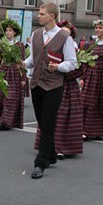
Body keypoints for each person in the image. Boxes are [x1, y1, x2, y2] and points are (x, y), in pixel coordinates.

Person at [23, 3, 76, 179]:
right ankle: (51, 155)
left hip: (54, 86)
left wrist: (59, 66)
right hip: (36, 84)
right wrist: (22, 64)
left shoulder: (65, 37)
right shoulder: (36, 34)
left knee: (47, 124)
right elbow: (32, 59)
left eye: (42, 14)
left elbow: (72, 62)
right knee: (42, 123)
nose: (38, 16)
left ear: (52, 16)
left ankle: (40, 163)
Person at [34, 20, 84, 158]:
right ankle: (48, 148)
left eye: (66, 33)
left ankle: (63, 147)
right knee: (48, 118)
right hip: (51, 84)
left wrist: (62, 71)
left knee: (65, 119)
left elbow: (79, 69)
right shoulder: (48, 44)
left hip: (68, 87)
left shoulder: (75, 51)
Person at [0, 19, 27, 130]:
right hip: (3, 71)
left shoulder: (19, 45)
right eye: (6, 30)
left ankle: (6, 121)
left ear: (14, 32)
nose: (7, 32)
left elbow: (22, 61)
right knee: (0, 97)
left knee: (10, 97)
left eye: (10, 30)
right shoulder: (2, 44)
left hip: (14, 73)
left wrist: (23, 78)